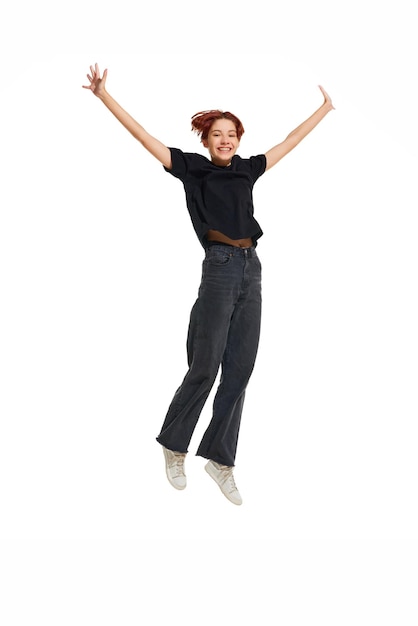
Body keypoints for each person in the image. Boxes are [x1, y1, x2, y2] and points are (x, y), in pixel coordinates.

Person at [83, 63, 334, 505]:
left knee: (240, 370)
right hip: (218, 266)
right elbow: (145, 138)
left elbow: (289, 143)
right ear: (206, 139)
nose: (225, 139)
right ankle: (174, 445)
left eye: (231, 133)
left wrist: (326, 108)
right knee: (206, 365)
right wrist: (105, 97)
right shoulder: (194, 169)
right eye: (217, 133)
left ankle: (220, 459)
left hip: (251, 268)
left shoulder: (247, 170)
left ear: (239, 139)